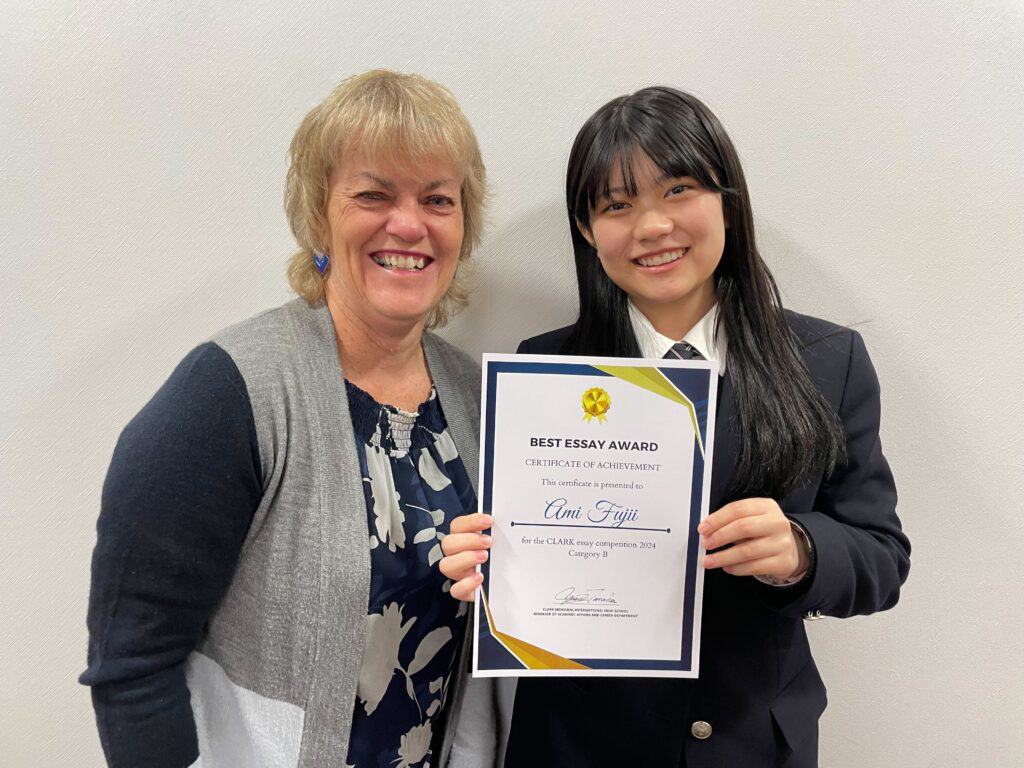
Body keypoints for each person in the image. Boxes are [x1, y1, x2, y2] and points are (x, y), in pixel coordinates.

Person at [440, 86, 911, 767]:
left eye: (679, 190)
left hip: (751, 745)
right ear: (587, 230)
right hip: (581, 747)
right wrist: (486, 561)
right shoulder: (545, 369)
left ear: (727, 202)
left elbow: (882, 557)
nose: (653, 226)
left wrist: (802, 550)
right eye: (617, 205)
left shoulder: (826, 361)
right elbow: (526, 551)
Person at [80, 69, 488, 768]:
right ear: (318, 215)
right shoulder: (230, 391)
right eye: (373, 195)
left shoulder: (476, 398)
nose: (409, 223)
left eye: (437, 199)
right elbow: (131, 664)